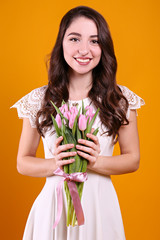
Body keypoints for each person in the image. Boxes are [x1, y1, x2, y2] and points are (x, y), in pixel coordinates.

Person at [11, 5, 145, 240]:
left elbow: (132, 159)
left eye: (94, 41)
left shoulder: (119, 99)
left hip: (99, 209)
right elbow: (23, 162)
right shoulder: (40, 100)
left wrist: (93, 162)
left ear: (104, 47)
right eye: (74, 39)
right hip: (52, 210)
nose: (84, 50)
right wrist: (56, 163)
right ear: (61, 43)